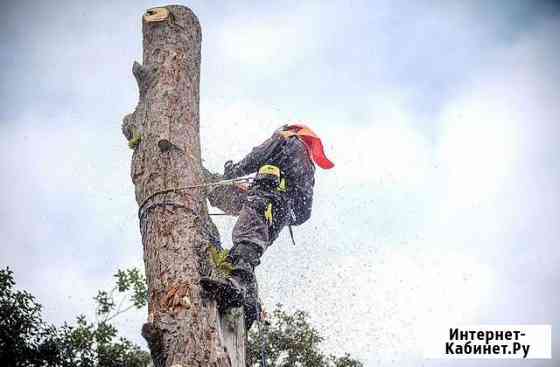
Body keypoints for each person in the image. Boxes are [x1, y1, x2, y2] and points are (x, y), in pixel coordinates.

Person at [201, 124, 334, 329]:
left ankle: (235, 286)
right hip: (278, 215)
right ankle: (250, 302)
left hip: (264, 199)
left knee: (245, 239)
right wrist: (281, 210)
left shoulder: (287, 138)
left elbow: (257, 155)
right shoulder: (309, 167)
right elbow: (304, 214)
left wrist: (233, 172)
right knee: (250, 250)